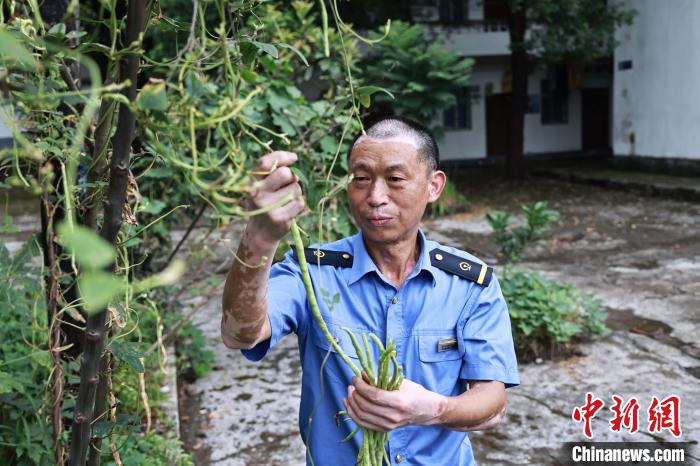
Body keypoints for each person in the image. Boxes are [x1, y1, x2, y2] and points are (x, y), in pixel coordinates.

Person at [221, 116, 520, 465]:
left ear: (433, 186)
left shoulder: (470, 285)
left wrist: (431, 409)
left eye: (395, 179)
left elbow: (491, 401)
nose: (375, 197)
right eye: (360, 179)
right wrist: (258, 239)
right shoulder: (312, 272)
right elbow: (239, 333)